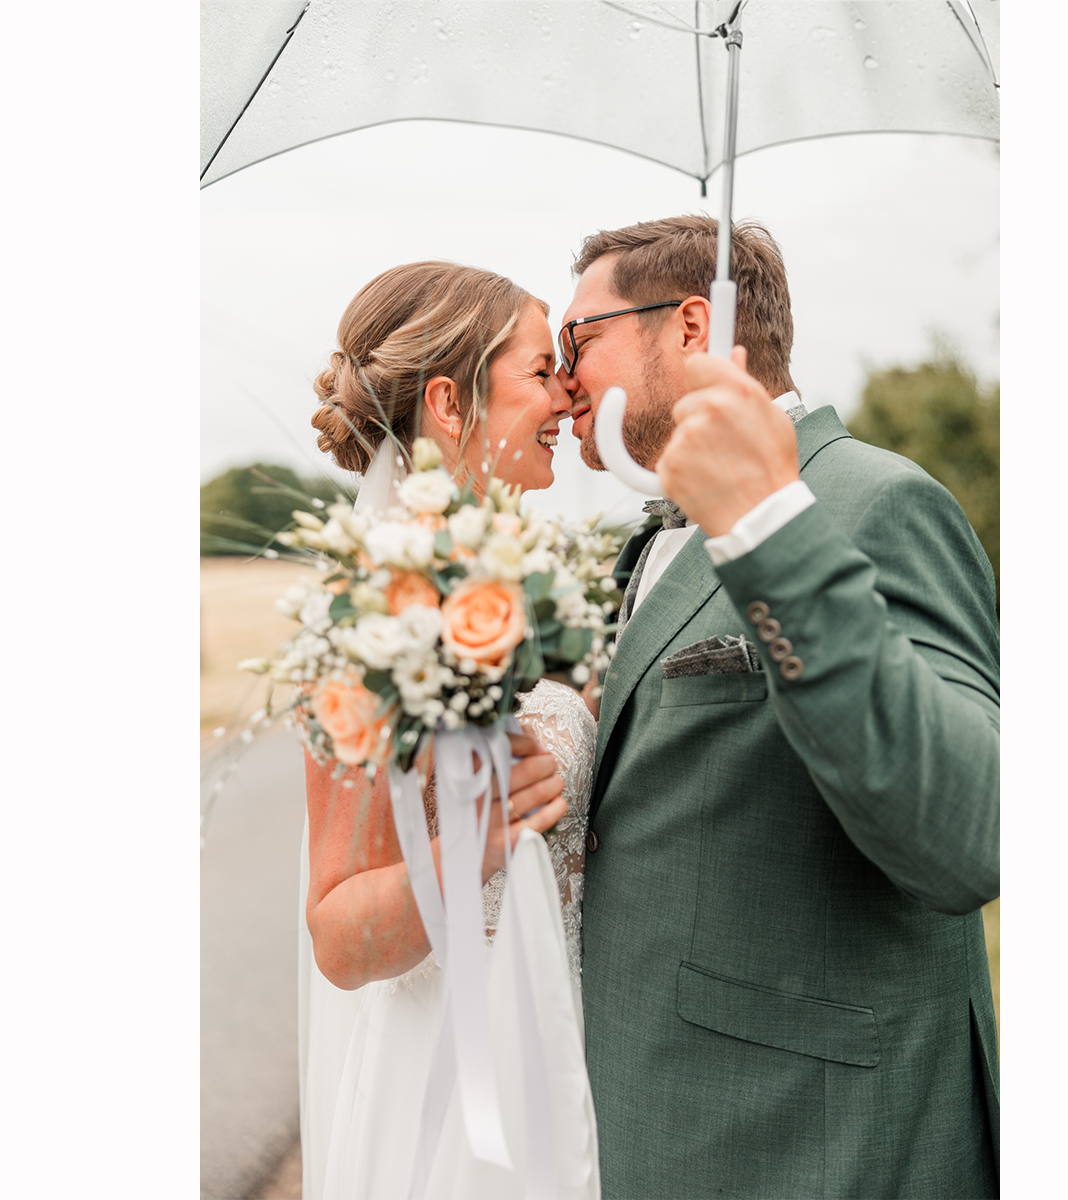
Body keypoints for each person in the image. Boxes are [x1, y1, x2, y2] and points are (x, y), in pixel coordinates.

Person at [559, 215, 1000, 1198]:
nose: (562, 375)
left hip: (811, 1139)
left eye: (577, 337)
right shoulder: (648, 539)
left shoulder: (878, 501)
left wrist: (767, 528)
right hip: (659, 1114)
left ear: (691, 326)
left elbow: (968, 837)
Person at [298, 261, 600, 1199]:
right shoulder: (372, 618)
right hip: (455, 1085)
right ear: (447, 401)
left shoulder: (508, 583)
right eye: (541, 370)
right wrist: (481, 837)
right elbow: (339, 936)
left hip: (562, 1040)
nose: (568, 392)